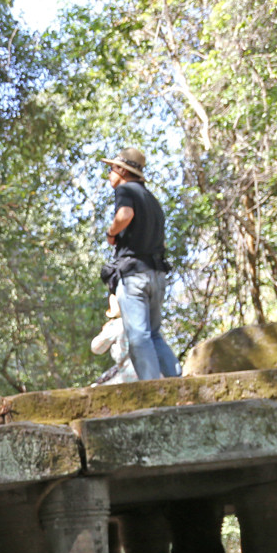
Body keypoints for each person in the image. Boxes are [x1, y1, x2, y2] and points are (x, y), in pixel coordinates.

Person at [103, 147, 178, 380]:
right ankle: (177, 379)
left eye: (111, 169)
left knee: (138, 336)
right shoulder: (152, 200)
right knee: (154, 334)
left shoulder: (125, 190)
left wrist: (111, 232)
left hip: (134, 274)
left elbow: (125, 215)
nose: (108, 175)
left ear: (121, 170)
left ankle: (152, 389)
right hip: (157, 274)